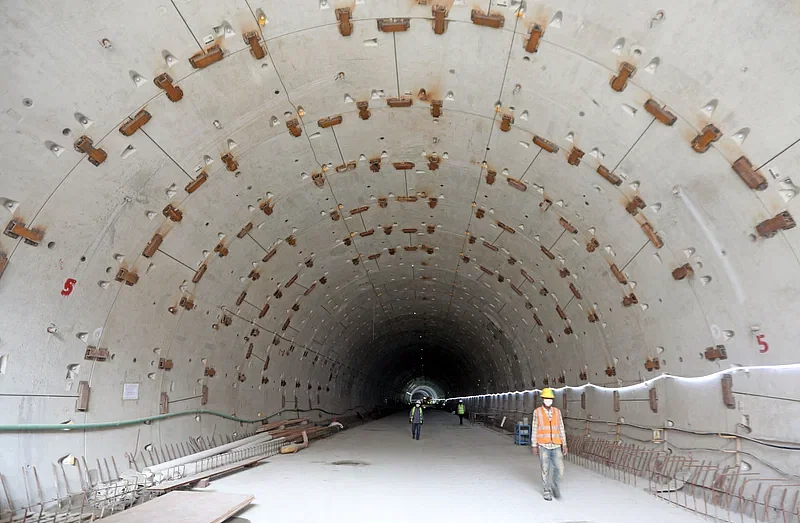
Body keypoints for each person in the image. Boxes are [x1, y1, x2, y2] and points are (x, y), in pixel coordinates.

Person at [530, 388, 567, 501]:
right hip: (543, 445)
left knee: (560, 469)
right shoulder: (537, 412)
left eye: (550, 398)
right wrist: (534, 445)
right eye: (546, 398)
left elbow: (561, 428)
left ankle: (555, 485)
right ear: (542, 399)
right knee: (545, 469)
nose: (548, 400)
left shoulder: (557, 411)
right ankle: (546, 490)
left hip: (556, 445)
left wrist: (564, 444)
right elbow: (535, 428)